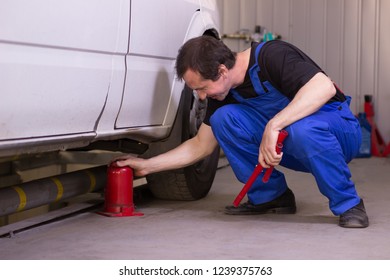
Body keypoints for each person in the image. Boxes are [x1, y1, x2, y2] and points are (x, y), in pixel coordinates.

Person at [114, 35, 369, 228]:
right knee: (225, 119)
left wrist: (274, 124)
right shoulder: (223, 94)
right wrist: (147, 166)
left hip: (339, 133)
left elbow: (323, 87)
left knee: (302, 128)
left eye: (202, 88)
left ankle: (349, 203)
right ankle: (272, 198)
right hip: (289, 144)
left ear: (222, 71)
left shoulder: (272, 56)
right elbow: (201, 145)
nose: (201, 97)